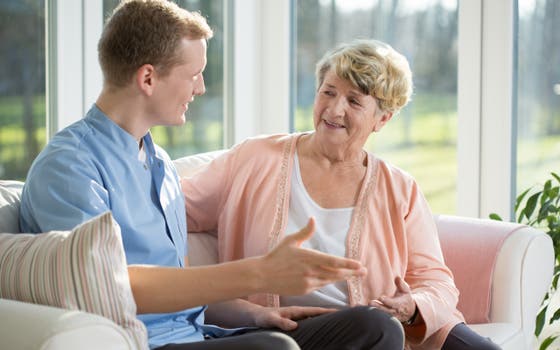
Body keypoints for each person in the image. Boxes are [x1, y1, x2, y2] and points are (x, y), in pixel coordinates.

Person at [18, 1, 402, 350]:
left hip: (202, 335)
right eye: (194, 74)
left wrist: (252, 314)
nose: (201, 88)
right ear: (148, 79)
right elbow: (108, 286)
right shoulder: (70, 166)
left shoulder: (160, 165)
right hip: (144, 343)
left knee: (375, 328)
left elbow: (177, 285)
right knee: (275, 349)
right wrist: (259, 274)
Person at [182, 39, 502, 350]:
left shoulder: (399, 188)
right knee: (376, 327)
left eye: (354, 101)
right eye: (328, 92)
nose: (334, 110)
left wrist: (412, 306)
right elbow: (173, 210)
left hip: (381, 326)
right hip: (282, 329)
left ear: (383, 118)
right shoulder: (254, 157)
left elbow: (436, 282)